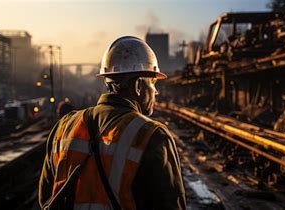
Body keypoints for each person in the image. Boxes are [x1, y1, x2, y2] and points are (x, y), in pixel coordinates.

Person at [39, 36, 186, 210]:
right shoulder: (151, 136)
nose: (156, 92)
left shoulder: (64, 127)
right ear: (138, 85)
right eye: (153, 82)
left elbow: (47, 199)